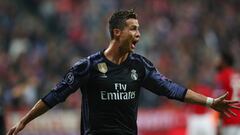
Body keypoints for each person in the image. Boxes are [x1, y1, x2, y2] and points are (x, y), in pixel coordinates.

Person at [7, 9, 240, 135]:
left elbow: (172, 89)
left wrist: (210, 102)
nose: (138, 34)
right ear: (117, 32)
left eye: (139, 29)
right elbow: (55, 95)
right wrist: (25, 121)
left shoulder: (140, 66)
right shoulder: (87, 66)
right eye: (133, 29)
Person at [215, 51, 240, 135]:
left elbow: (220, 100)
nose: (217, 62)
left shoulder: (222, 76)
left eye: (219, 60)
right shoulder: (237, 75)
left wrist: (219, 122)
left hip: (229, 120)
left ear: (224, 62)